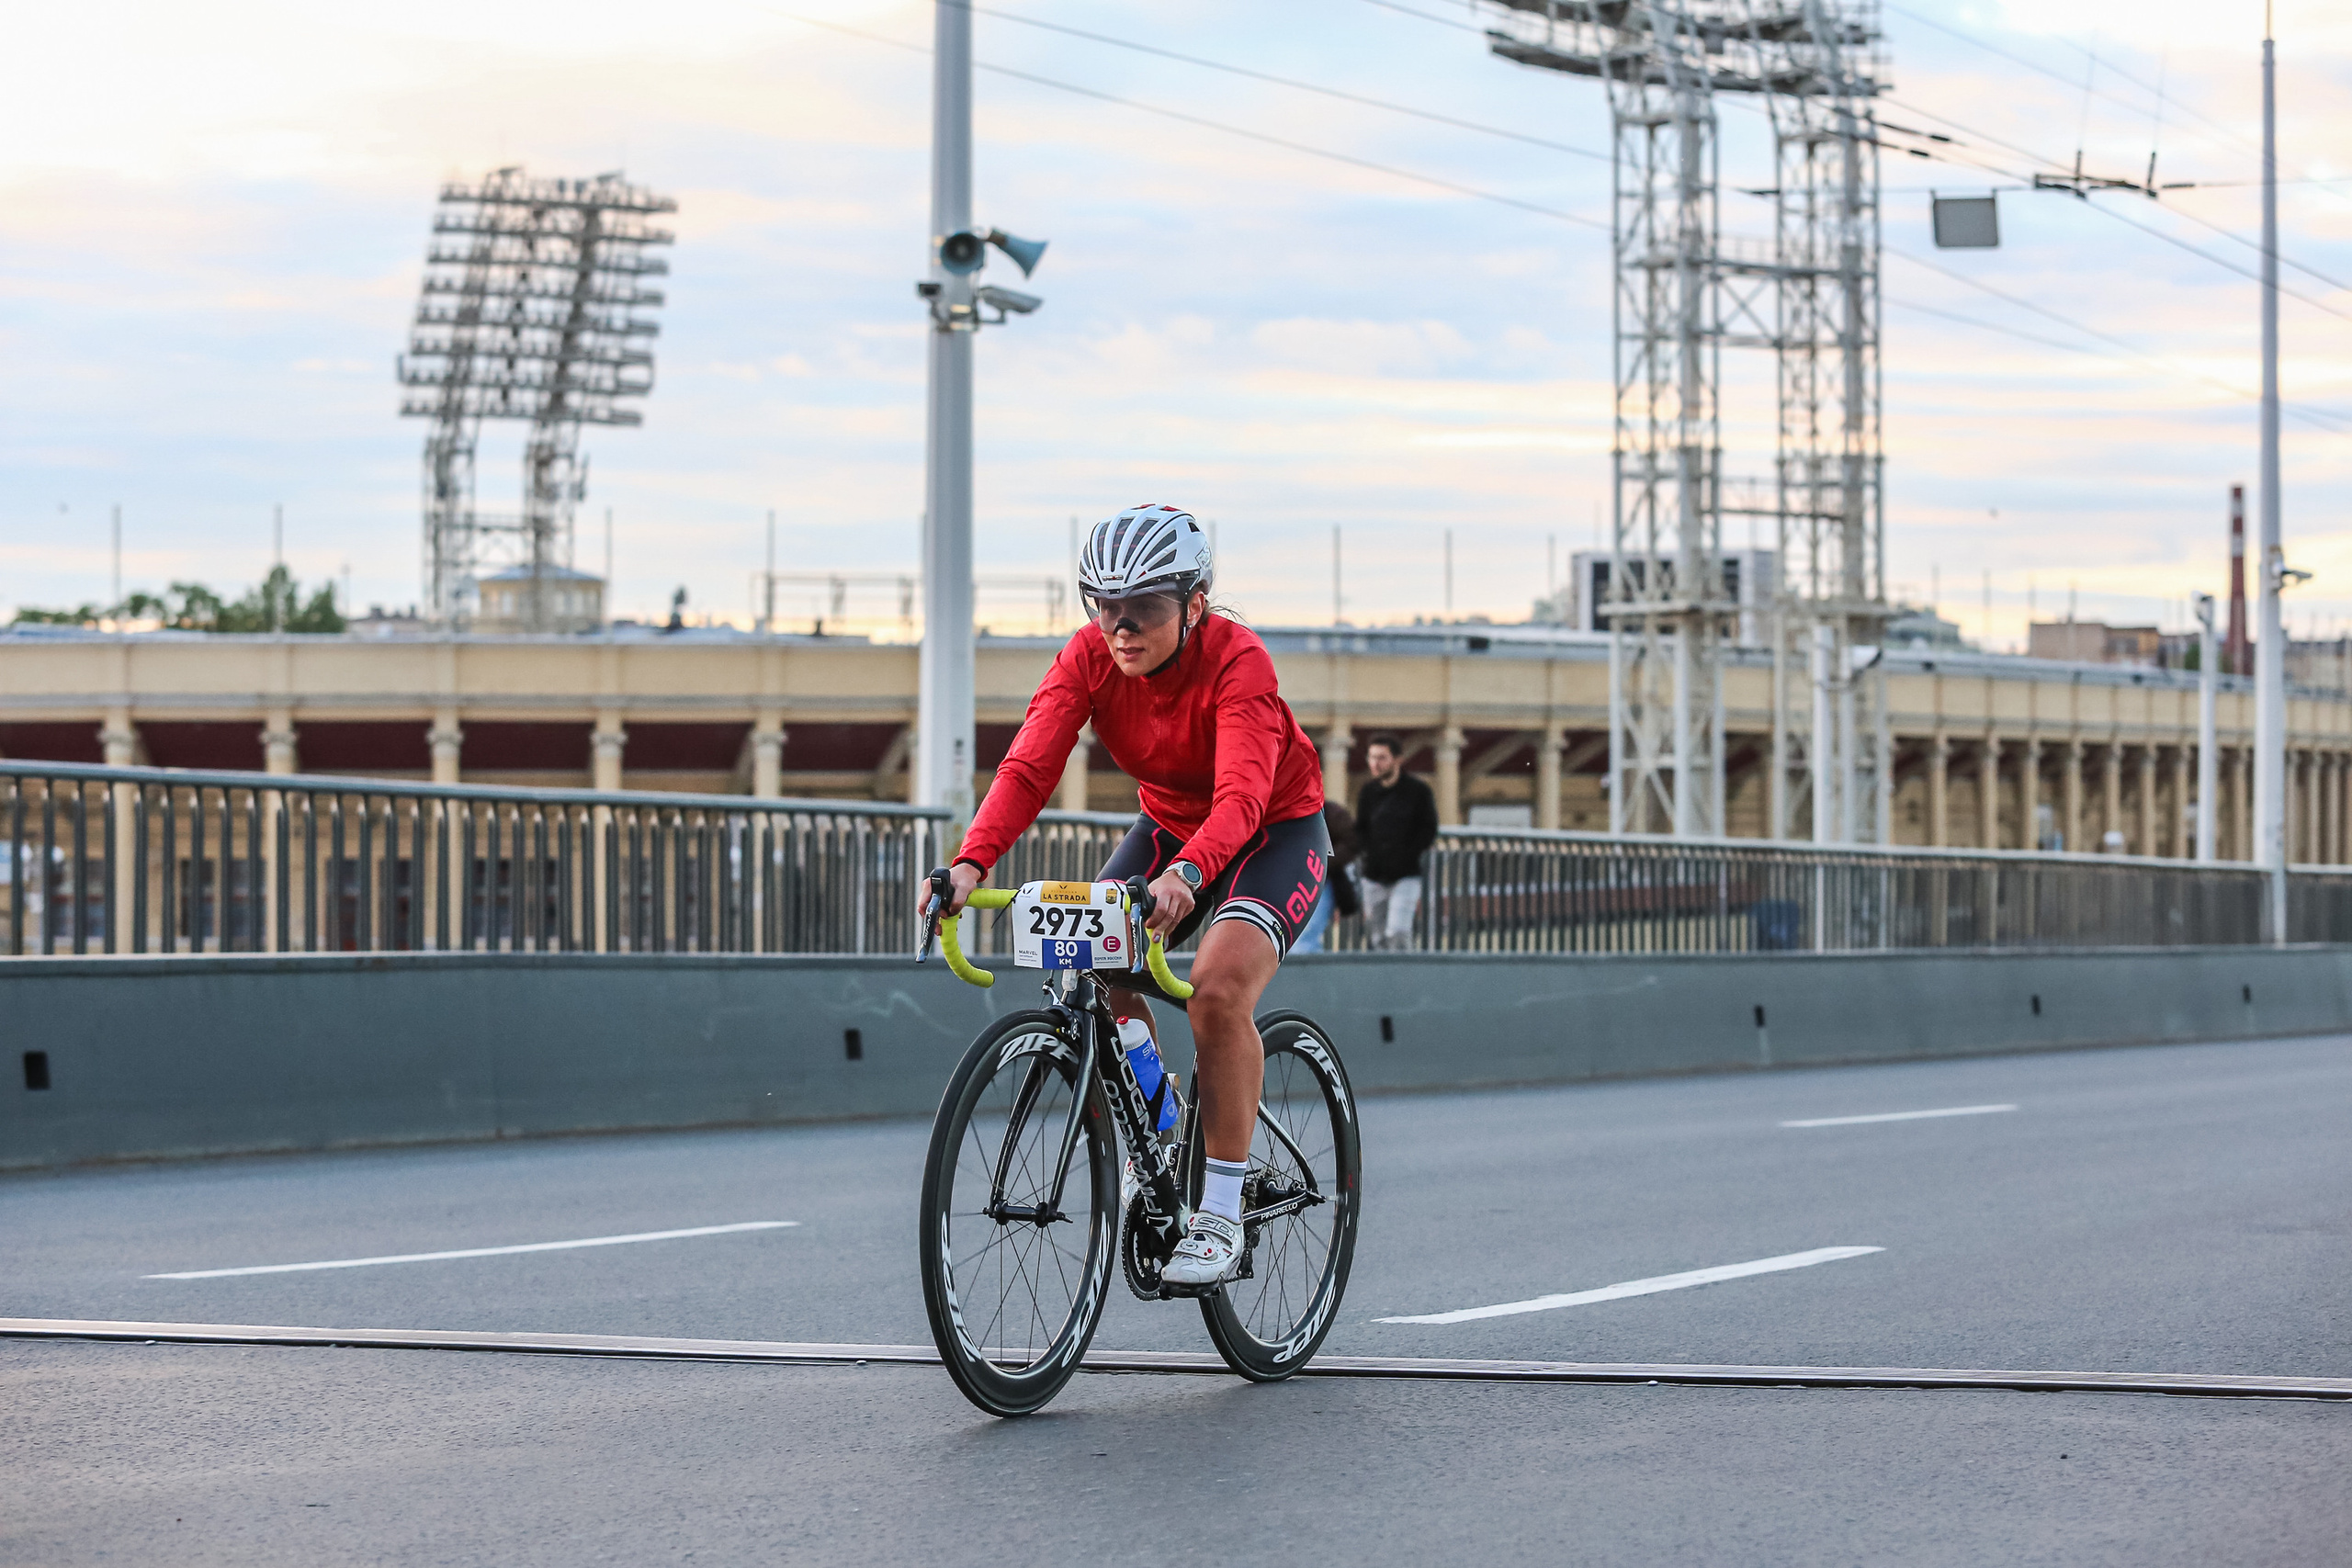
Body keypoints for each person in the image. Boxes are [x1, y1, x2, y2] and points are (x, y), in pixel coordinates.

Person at [933, 503, 1329, 1290]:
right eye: (1104, 606)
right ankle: (1164, 1120)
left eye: (1143, 608)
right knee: (1094, 958)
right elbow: (1027, 768)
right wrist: (970, 864)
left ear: (1195, 604)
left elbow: (1243, 800)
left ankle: (1219, 1212)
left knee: (1217, 993)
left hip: (1271, 831)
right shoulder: (1086, 657)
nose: (1121, 627)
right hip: (1169, 825)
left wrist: (1186, 876)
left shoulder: (1238, 660)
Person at [1354, 733, 1437, 950]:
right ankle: (1382, 982)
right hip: (1373, 876)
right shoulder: (1368, 792)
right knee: (1377, 937)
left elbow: (1428, 828)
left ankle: (1405, 977)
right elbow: (1360, 828)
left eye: (1382, 758)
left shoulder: (1418, 791)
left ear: (1398, 759)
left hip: (1406, 875)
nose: (1375, 763)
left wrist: (1408, 854)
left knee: (1398, 931)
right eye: (1372, 757)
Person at [1289, 800, 1360, 953]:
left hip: (1319, 880)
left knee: (1305, 940)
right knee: (1296, 940)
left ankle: (1309, 974)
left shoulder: (1330, 813)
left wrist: (1323, 861)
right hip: (1292, 880)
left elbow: (1352, 841)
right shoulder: (1285, 812)